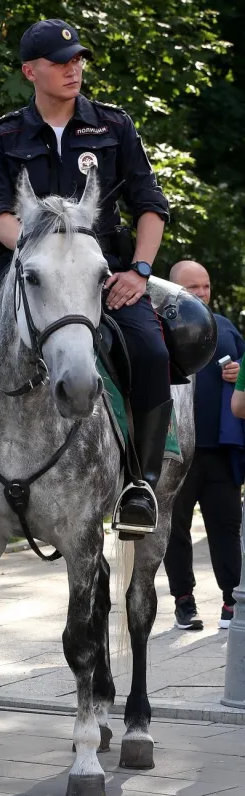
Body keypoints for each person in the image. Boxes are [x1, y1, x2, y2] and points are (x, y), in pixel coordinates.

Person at [0, 18, 171, 552]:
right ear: (30, 71)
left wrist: (141, 272)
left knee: (149, 350)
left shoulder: (113, 126)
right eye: (60, 63)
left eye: (77, 60)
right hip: (22, 267)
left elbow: (151, 206)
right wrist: (28, 255)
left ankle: (139, 486)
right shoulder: (5, 134)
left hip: (99, 272)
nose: (73, 69)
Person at [164, 260, 245, 630]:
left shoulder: (226, 328)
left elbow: (243, 371)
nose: (201, 294)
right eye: (192, 288)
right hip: (175, 452)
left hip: (218, 450)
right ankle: (184, 601)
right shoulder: (156, 326)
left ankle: (232, 601)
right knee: (175, 529)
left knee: (226, 527)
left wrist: (239, 371)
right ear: (173, 289)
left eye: (206, 287)